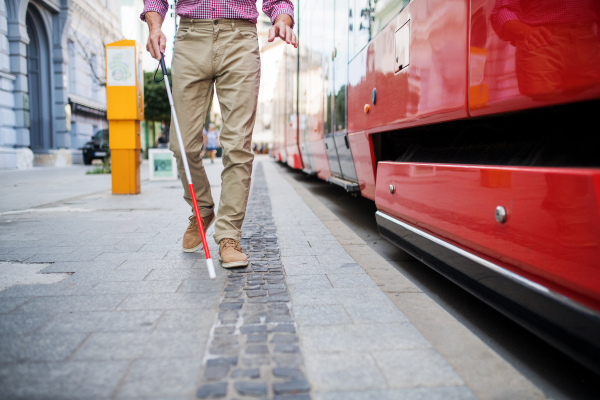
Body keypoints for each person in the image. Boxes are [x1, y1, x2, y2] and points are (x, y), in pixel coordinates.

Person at [142, 0, 297, 268]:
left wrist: (282, 19)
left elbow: (279, 1)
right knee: (182, 146)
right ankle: (202, 208)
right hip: (190, 37)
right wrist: (155, 27)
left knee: (237, 146)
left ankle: (228, 236)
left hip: (240, 38)